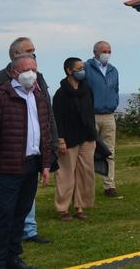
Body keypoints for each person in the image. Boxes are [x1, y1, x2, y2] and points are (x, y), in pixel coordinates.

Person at [0, 37, 56, 248]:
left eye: (34, 52)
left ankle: (25, 235)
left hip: (31, 157)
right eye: (29, 51)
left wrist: (49, 151)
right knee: (0, 203)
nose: (33, 54)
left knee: (23, 204)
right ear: (15, 56)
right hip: (7, 156)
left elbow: (45, 117)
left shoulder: (37, 83)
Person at [52, 57, 97, 221]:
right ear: (69, 71)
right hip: (68, 138)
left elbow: (91, 112)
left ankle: (80, 206)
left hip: (87, 136)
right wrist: (60, 140)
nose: (82, 71)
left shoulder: (87, 89)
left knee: (86, 172)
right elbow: (57, 118)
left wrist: (93, 134)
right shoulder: (60, 94)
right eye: (79, 68)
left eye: (82, 68)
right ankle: (63, 208)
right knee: (65, 173)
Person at [84, 40, 122, 198]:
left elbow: (116, 89)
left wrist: (114, 103)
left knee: (109, 151)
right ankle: (87, 187)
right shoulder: (86, 67)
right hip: (91, 115)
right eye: (104, 51)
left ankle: (109, 185)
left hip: (109, 116)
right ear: (95, 52)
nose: (107, 54)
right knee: (88, 152)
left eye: (109, 51)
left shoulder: (113, 71)